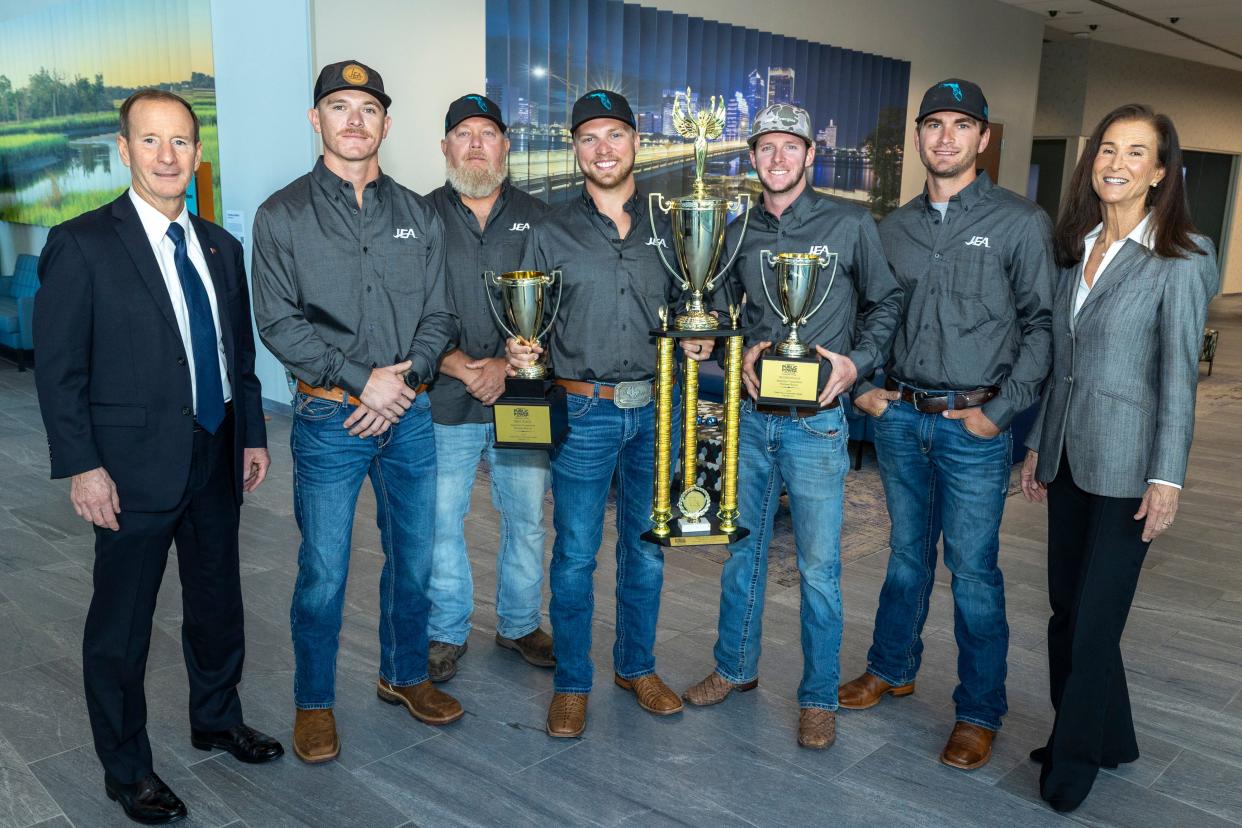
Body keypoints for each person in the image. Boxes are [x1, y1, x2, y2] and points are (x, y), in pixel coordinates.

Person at [34, 89, 281, 824]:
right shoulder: (81, 244)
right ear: (124, 149)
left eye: (180, 142)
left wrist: (254, 435)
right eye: (151, 141)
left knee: (218, 605)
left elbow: (236, 354)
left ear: (197, 154)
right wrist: (83, 467)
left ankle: (216, 718)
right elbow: (60, 371)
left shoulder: (219, 246)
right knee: (122, 625)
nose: (167, 156)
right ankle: (126, 768)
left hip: (215, 456)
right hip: (128, 471)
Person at [838, 78, 1055, 770]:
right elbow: (866, 318)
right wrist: (865, 389)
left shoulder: (1021, 223)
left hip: (973, 429)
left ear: (983, 139)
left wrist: (999, 415)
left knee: (972, 572)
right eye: (933, 124)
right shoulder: (890, 229)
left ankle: (979, 709)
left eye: (961, 125)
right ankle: (891, 667)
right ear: (919, 136)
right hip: (901, 420)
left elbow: (1043, 327)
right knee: (905, 557)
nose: (945, 137)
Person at [251, 60, 461, 765]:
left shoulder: (419, 214)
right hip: (328, 422)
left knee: (413, 560)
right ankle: (314, 703)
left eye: (367, 109)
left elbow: (441, 313)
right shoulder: (282, 214)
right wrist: (358, 380)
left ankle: (403, 676)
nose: (353, 120)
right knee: (324, 571)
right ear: (317, 120)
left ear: (386, 124)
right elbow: (278, 323)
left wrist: (402, 383)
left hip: (413, 418)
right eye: (338, 107)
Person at [681, 104, 902, 750]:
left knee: (818, 568)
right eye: (765, 148)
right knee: (740, 554)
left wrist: (855, 363)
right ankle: (734, 668)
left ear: (811, 155)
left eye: (790, 148)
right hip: (751, 421)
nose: (777, 159)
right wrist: (737, 350)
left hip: (818, 426)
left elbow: (887, 301)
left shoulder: (851, 222)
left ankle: (817, 696)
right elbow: (720, 311)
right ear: (752, 158)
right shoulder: (739, 227)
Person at [1020, 103, 1219, 812]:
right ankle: (1113, 737)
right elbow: (1061, 363)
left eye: (1137, 153)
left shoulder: (1183, 256)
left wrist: (1167, 477)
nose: (1117, 163)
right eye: (1109, 148)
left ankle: (1073, 759)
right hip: (1070, 454)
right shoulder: (1076, 245)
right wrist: (1041, 442)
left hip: (1132, 466)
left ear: (1161, 172)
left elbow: (1176, 377)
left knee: (1097, 618)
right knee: (1067, 611)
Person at [506, 90, 713, 738]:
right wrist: (519, 342)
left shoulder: (671, 223)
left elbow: (694, 300)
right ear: (576, 149)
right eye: (589, 137)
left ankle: (636, 666)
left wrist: (696, 333)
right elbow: (526, 316)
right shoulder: (549, 228)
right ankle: (572, 682)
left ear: (636, 142)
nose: (603, 148)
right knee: (573, 555)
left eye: (615, 135)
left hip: (656, 411)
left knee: (647, 551)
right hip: (583, 412)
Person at [424, 94, 553, 682]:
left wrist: (506, 362)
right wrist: (458, 365)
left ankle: (521, 623)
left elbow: (558, 304)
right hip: (442, 395)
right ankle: (446, 630)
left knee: (525, 518)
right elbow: (406, 307)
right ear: (445, 146)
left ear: (506, 145)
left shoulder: (542, 217)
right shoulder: (418, 216)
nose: (476, 143)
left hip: (521, 396)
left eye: (488, 133)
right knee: (441, 520)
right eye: (463, 133)